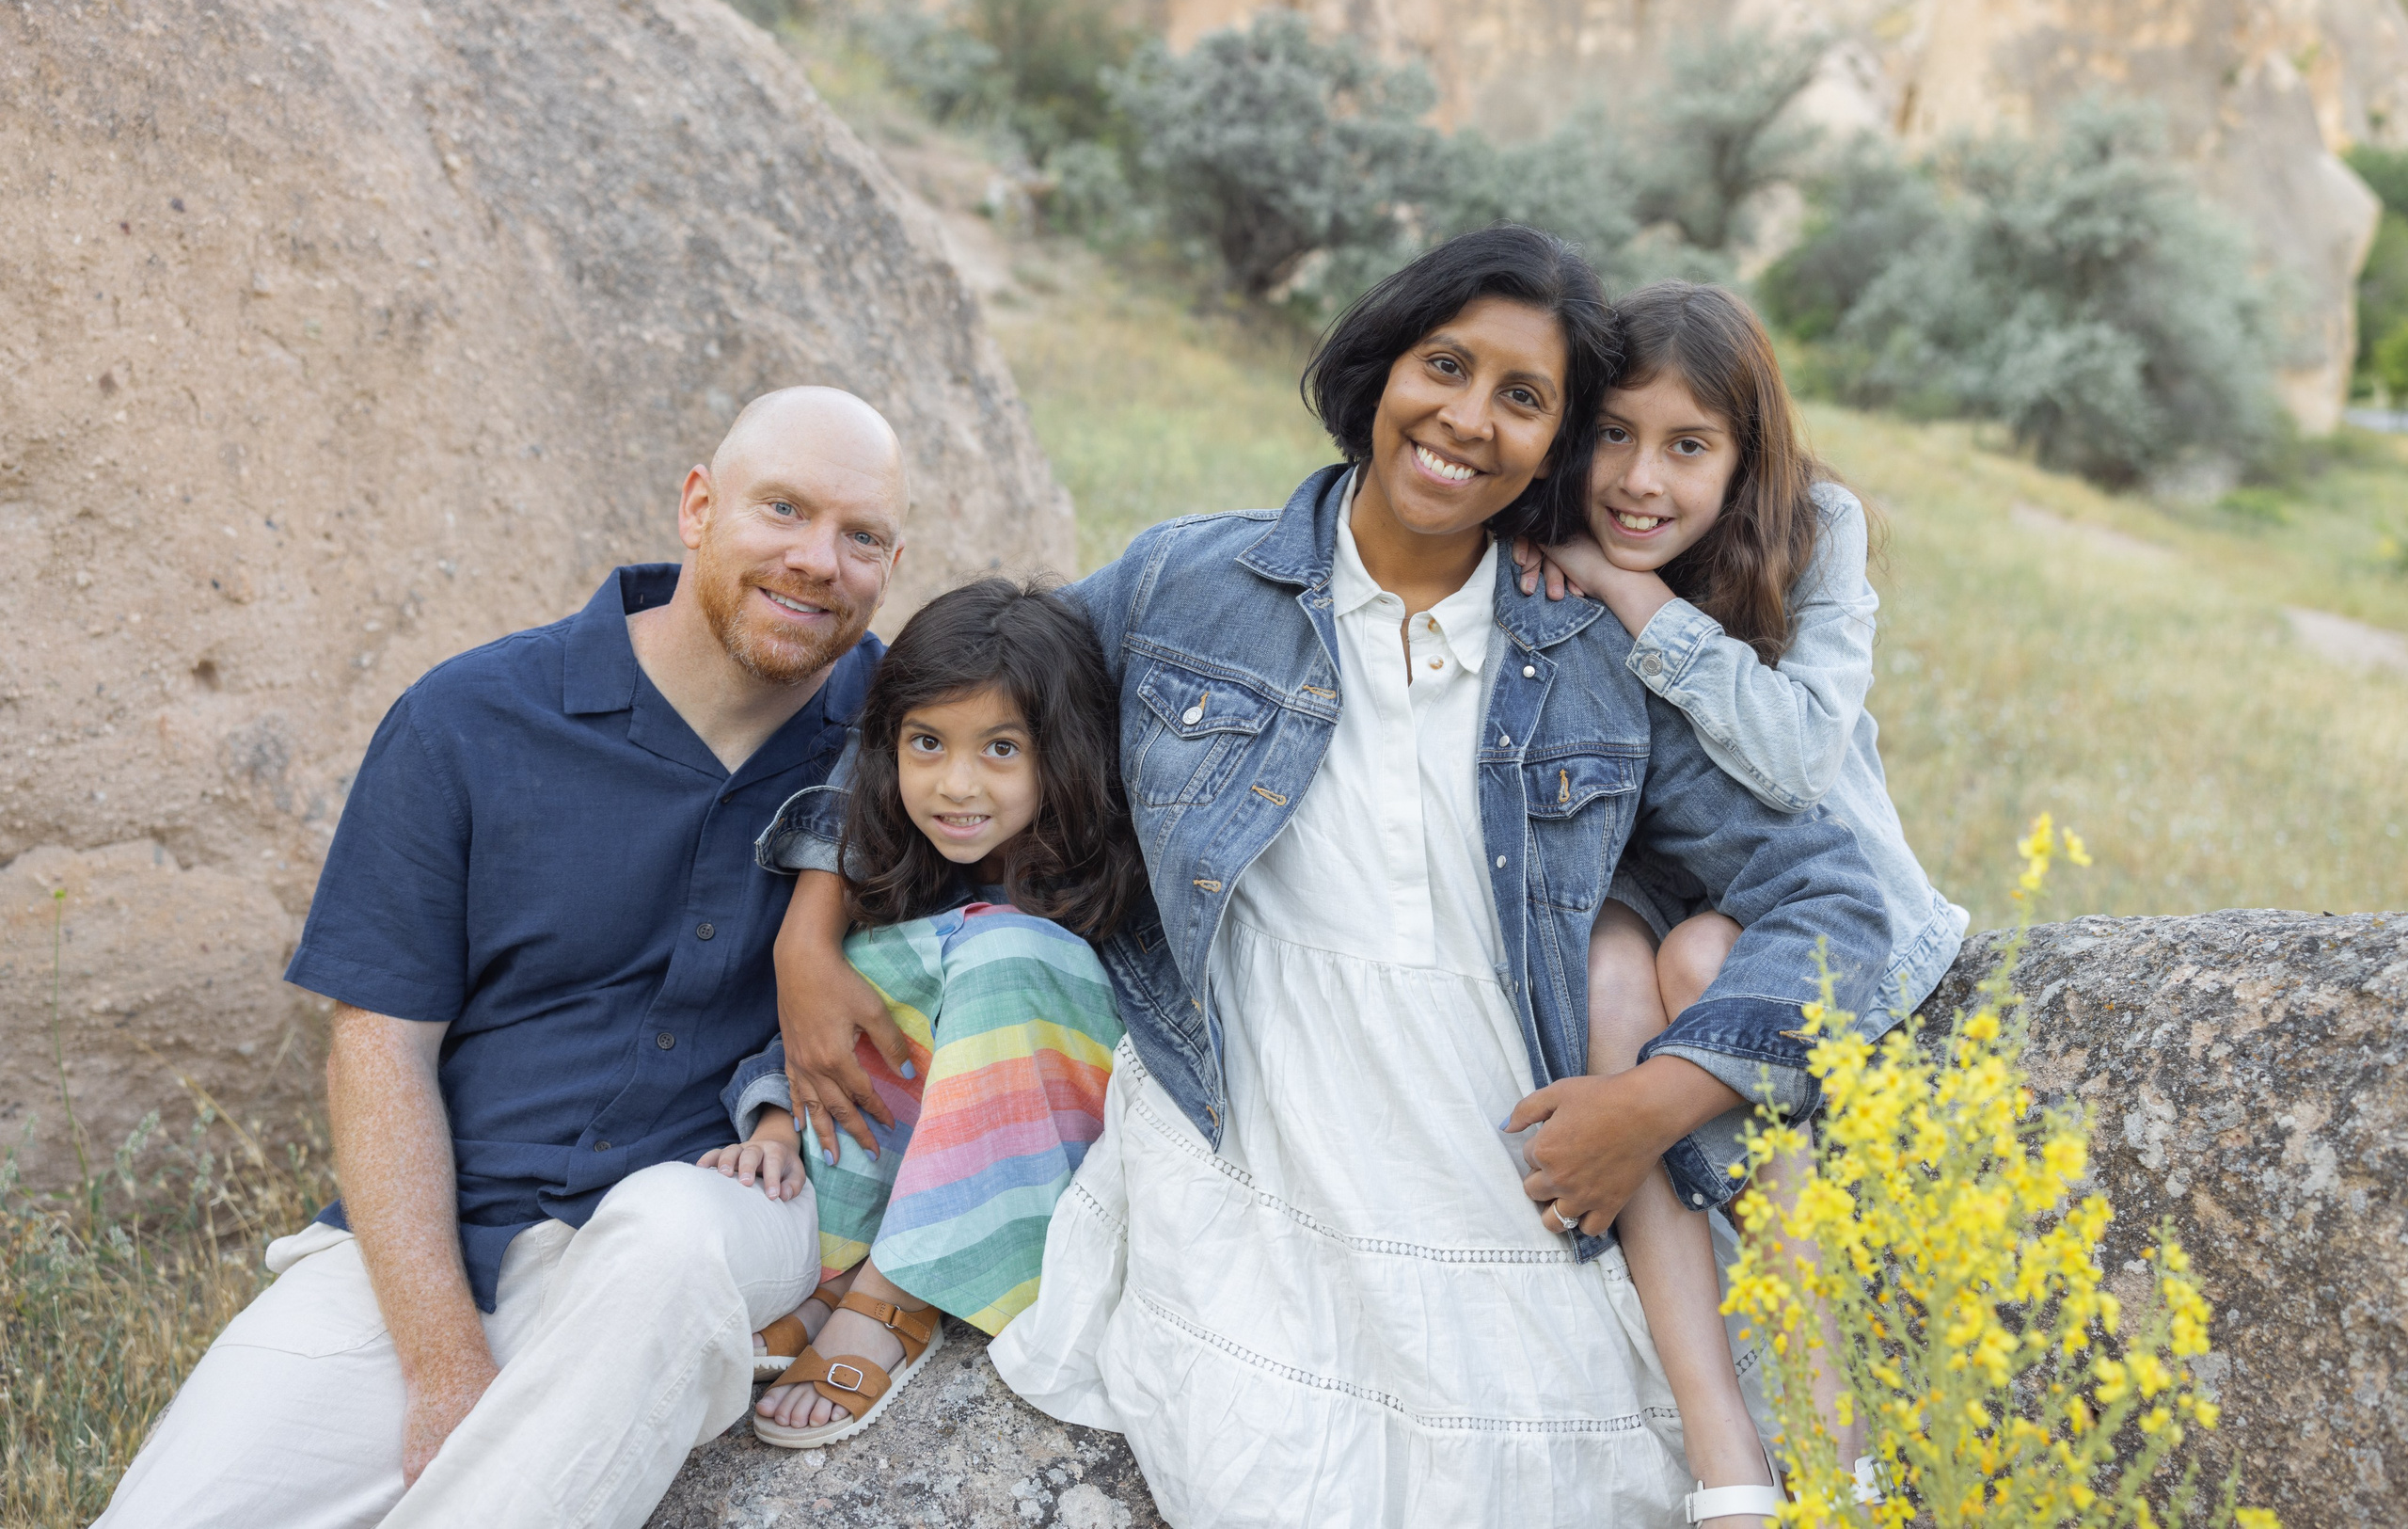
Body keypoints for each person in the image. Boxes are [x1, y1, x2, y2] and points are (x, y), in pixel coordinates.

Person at [768, 227, 1898, 1527]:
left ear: (1554, 444)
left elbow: (1838, 897)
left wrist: (1653, 1102)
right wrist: (813, 919)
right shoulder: (1188, 583)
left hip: (1509, 1124)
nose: (1468, 419)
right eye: (1446, 365)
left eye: (1522, 398)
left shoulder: (1597, 654)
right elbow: (946, 705)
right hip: (1261, 1110)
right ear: (1379, 368)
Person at [93, 387, 908, 1529]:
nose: (819, 559)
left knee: (666, 1244)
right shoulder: (470, 719)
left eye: (860, 534)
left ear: (891, 558)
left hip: (725, 1207)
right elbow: (379, 1048)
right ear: (697, 506)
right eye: (783, 509)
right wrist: (440, 1367)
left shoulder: (914, 740)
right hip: (442, 1235)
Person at [1514, 280, 1967, 1524]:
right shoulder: (1539, 535)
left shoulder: (1817, 524)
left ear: (1745, 454)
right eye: (1613, 432)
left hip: (1828, 896)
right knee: (1619, 971)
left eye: (1687, 446)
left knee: (1712, 960)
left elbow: (1797, 755)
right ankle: (1727, 1461)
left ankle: (1827, 1436)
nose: (1640, 479)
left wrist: (1632, 594)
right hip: (1663, 893)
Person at [695, 578, 1139, 1449]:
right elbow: (835, 1015)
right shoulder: (901, 862)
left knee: (1010, 950)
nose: (955, 785)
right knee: (874, 960)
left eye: (1001, 749)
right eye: (926, 744)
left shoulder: (1114, 868)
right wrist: (779, 1118)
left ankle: (898, 1295)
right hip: (924, 1134)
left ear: (1065, 751)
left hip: (1063, 1135)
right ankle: (836, 1271)